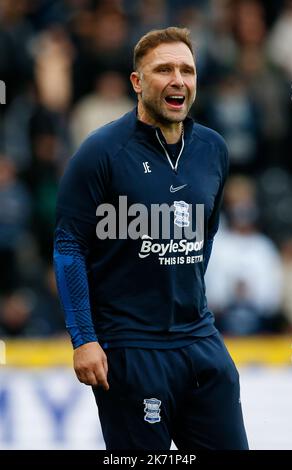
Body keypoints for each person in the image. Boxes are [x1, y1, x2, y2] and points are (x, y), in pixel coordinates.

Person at [53, 27, 248, 450]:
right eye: (164, 69)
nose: (178, 79)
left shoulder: (213, 149)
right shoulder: (100, 152)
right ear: (137, 83)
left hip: (200, 340)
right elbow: (69, 246)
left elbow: (206, 232)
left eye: (187, 70)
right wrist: (84, 338)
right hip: (130, 348)